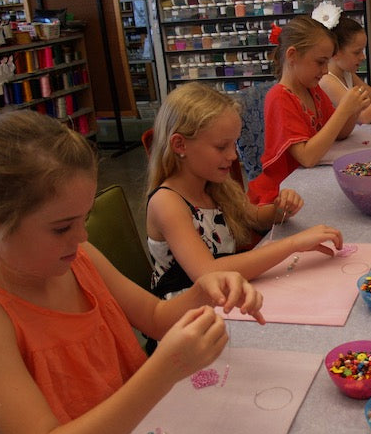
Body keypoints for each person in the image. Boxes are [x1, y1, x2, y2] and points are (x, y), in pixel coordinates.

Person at [0, 110, 265, 434]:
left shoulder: (78, 258)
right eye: (62, 227)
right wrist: (167, 366)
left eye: (83, 218)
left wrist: (202, 291)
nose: (82, 236)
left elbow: (155, 316)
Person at [146, 82, 344, 300]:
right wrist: (293, 244)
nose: (233, 156)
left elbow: (255, 218)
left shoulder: (213, 186)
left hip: (225, 298)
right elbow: (208, 273)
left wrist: (279, 210)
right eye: (222, 147)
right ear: (180, 145)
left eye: (234, 144)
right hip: (188, 316)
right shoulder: (167, 202)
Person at [248, 8, 371, 205]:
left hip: (306, 183)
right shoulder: (280, 97)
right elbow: (307, 157)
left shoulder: (312, 90)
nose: (325, 71)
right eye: (320, 62)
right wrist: (344, 110)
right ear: (292, 55)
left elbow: (340, 134)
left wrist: (352, 110)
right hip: (282, 193)